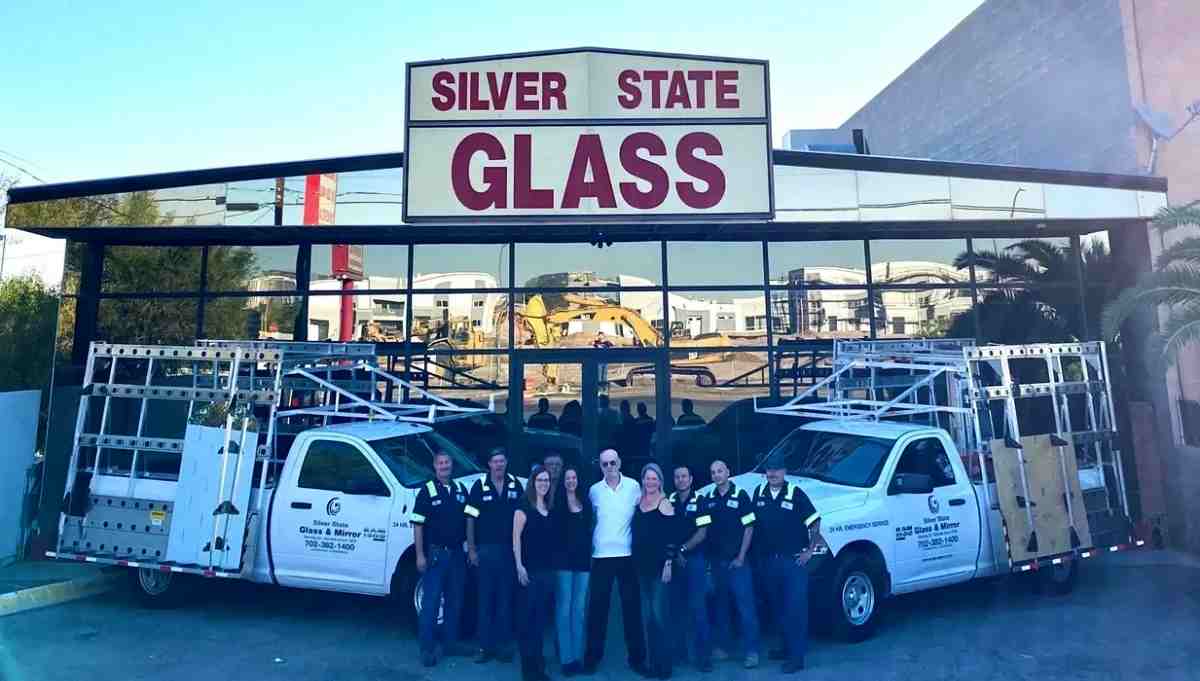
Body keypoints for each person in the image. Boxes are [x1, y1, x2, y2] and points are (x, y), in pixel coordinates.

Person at [753, 456, 822, 673]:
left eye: (776, 470)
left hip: (792, 563)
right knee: (777, 607)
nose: (772, 474)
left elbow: (815, 521)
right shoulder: (759, 493)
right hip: (768, 562)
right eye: (769, 470)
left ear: (784, 471)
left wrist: (810, 550)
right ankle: (784, 648)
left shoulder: (796, 494)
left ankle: (797, 658)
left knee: (796, 609)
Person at [582, 449, 647, 676]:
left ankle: (637, 659)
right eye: (604, 464)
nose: (609, 467)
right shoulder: (593, 491)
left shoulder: (634, 487)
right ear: (600, 466)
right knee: (597, 610)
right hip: (601, 557)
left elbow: (645, 513)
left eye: (612, 463)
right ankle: (592, 657)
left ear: (619, 463)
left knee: (632, 610)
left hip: (627, 556)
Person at [412, 451, 471, 667]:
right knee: (431, 602)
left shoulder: (460, 490)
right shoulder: (426, 491)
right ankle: (427, 649)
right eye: (441, 463)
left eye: (447, 462)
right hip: (435, 555)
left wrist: (469, 548)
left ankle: (450, 644)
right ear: (435, 466)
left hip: (456, 554)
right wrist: (420, 555)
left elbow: (468, 520)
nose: (444, 466)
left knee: (455, 601)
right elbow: (417, 524)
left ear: (451, 465)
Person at [466, 447, 524, 664]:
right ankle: (484, 647)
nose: (499, 464)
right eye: (495, 461)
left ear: (506, 462)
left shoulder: (514, 484)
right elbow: (470, 518)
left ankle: (502, 647)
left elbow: (521, 515)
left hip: (509, 551)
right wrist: (472, 549)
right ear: (489, 464)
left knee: (505, 600)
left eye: (502, 460)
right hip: (486, 550)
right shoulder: (479, 486)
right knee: (485, 600)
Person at [706, 460, 760, 668]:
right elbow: (705, 531)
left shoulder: (741, 496)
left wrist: (741, 556)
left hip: (738, 564)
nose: (717, 475)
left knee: (745, 607)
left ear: (728, 472)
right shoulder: (708, 498)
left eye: (720, 471)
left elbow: (749, 528)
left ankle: (752, 651)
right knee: (721, 607)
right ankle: (723, 648)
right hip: (717, 563)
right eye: (713, 472)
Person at [632, 464, 677, 680]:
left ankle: (664, 667)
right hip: (642, 568)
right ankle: (652, 663)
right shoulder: (638, 502)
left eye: (654, 479)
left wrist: (668, 564)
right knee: (648, 617)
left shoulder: (664, 503)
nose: (650, 482)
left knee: (660, 618)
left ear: (660, 481)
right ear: (643, 480)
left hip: (660, 569)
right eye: (647, 478)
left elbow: (671, 538)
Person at [668, 464, 714, 672]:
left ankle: (703, 658)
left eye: (684, 476)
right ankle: (679, 654)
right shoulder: (669, 501)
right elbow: (665, 530)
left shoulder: (701, 500)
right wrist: (675, 554)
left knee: (698, 609)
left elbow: (703, 533)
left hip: (695, 561)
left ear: (691, 479)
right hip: (676, 562)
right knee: (676, 609)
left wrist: (683, 550)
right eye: (677, 477)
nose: (681, 480)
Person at [515, 465, 557, 681]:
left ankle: (538, 667)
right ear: (533, 482)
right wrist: (519, 566)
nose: (543, 484)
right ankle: (528, 670)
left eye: (546, 480)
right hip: (529, 572)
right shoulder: (524, 506)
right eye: (540, 480)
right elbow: (516, 540)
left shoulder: (549, 507)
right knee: (527, 621)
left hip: (547, 572)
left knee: (540, 621)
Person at [554, 466, 592, 676]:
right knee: (564, 610)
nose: (571, 480)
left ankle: (578, 657)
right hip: (563, 563)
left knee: (578, 611)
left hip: (583, 562)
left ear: (578, 479)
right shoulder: (558, 503)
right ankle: (567, 659)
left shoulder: (585, 502)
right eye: (567, 478)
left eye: (574, 477)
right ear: (563, 481)